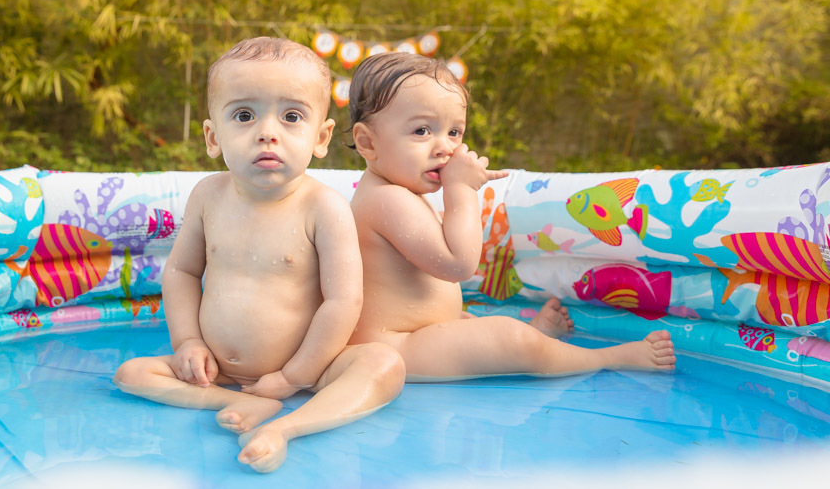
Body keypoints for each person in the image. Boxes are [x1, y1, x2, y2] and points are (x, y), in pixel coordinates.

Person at [113, 37, 406, 473]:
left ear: (321, 137)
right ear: (213, 136)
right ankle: (238, 403)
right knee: (131, 374)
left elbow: (344, 301)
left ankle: (287, 427)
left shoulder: (323, 207)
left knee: (383, 365)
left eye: (291, 116)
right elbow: (181, 271)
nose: (267, 132)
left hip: (308, 371)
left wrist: (294, 377)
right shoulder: (208, 196)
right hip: (218, 370)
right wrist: (188, 343)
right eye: (245, 115)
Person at [346, 51, 676, 381]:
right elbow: (459, 266)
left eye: (454, 133)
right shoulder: (386, 199)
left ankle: (537, 338)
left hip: (422, 333)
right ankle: (606, 357)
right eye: (421, 131)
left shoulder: (395, 192)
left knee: (478, 329)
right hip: (395, 348)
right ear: (367, 143)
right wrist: (461, 190)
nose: (444, 147)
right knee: (508, 338)